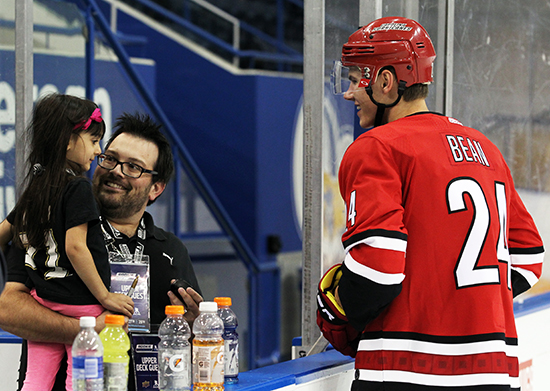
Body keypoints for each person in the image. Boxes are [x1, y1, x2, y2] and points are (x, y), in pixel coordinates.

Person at [316, 16, 545, 391]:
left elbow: (378, 273)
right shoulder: (485, 149)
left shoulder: (376, 148)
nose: (349, 92)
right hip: (494, 372)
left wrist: (343, 303)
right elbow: (528, 258)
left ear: (386, 82)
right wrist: (463, 304)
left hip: (406, 372)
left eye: (358, 79)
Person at [0, 112, 203, 391]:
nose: (117, 170)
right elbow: (8, 311)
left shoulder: (171, 250)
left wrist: (192, 327)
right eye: (110, 158)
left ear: (156, 188)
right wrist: (87, 329)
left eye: (134, 167)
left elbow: (187, 348)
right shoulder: (46, 224)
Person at [0, 93, 134, 391]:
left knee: (35, 379)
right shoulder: (78, 188)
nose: (98, 151)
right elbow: (76, 247)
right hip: (82, 308)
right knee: (81, 381)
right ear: (67, 141)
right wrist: (104, 297)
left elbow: (4, 232)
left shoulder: (35, 188)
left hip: (44, 303)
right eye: (94, 140)